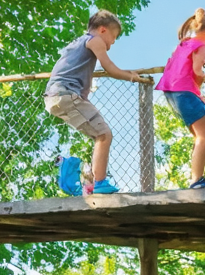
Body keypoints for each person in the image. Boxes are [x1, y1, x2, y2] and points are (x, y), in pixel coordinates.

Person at [46, 10, 149, 195]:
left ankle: (72, 171)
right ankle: (99, 183)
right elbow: (109, 67)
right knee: (104, 134)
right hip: (66, 94)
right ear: (102, 30)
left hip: (54, 97)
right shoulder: (95, 41)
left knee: (98, 135)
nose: (113, 42)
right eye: (113, 36)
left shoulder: (78, 42)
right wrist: (131, 76)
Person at [155, 9, 205, 189]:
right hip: (184, 92)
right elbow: (197, 72)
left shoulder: (185, 44)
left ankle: (195, 178)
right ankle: (197, 180)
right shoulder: (202, 45)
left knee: (198, 136)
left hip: (171, 92)